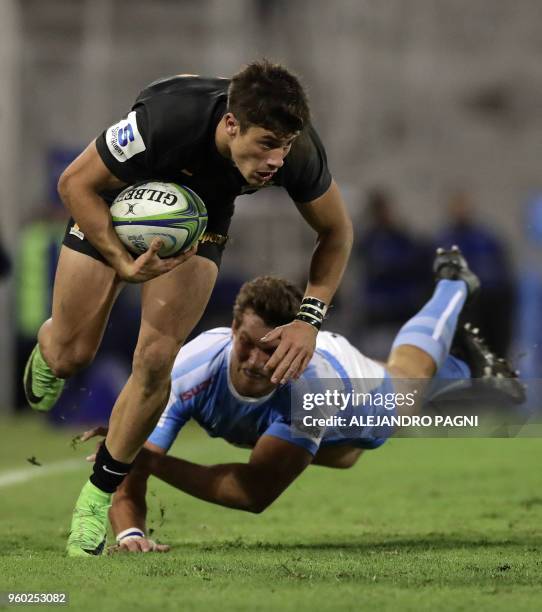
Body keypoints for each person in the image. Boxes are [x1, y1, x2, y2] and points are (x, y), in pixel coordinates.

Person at [23, 61, 354, 556]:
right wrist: (120, 261)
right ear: (230, 125)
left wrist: (309, 319)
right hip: (114, 204)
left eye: (284, 147)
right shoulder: (167, 118)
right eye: (266, 144)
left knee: (156, 361)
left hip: (198, 220)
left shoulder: (298, 151)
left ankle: (95, 497)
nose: (276, 161)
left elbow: (336, 232)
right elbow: (74, 184)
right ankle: (50, 351)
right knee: (72, 354)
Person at [80, 248, 523, 553]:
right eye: (248, 344)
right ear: (233, 329)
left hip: (355, 395)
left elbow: (253, 492)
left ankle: (454, 287)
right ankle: (467, 371)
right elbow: (132, 464)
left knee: (407, 382)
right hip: (286, 425)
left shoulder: (315, 388)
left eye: (272, 350)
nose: (255, 361)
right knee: (336, 457)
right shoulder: (190, 367)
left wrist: (143, 460)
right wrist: (130, 532)